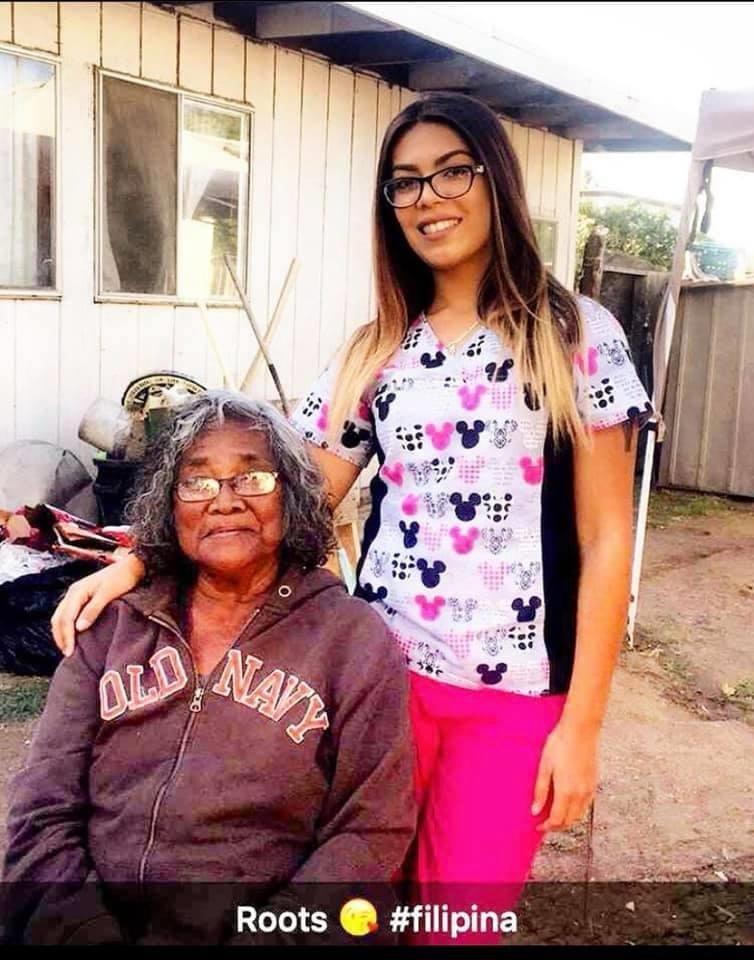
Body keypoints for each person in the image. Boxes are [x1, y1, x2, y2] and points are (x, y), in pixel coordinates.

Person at [50, 93, 653, 945]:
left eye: (452, 171)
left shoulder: (572, 335)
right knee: (353, 909)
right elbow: (283, 502)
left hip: (509, 701)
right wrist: (138, 561)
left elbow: (605, 540)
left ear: (497, 181)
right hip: (376, 683)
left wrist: (581, 729)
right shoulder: (377, 351)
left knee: (456, 923)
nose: (429, 198)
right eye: (405, 183)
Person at [3, 392, 415, 946]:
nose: (225, 501)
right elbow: (43, 811)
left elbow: (367, 834)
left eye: (253, 477)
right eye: (197, 482)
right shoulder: (111, 627)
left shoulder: (351, 639)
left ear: (289, 495)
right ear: (169, 508)